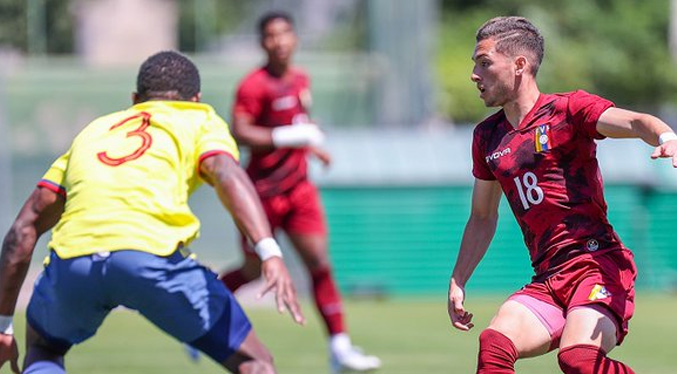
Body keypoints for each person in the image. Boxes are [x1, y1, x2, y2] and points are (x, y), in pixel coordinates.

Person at [0, 51, 305, 374]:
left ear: (135, 100)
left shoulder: (94, 132)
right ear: (196, 99)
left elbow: (25, 228)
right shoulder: (199, 118)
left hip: (75, 261)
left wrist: (3, 324)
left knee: (44, 348)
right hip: (149, 256)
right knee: (255, 362)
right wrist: (268, 250)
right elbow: (226, 172)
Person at [447, 16, 677, 374]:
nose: (475, 74)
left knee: (578, 360)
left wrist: (666, 137)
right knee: (494, 345)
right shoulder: (486, 137)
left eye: (484, 63)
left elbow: (634, 122)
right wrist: (458, 279)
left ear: (520, 65)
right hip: (549, 278)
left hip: (598, 266)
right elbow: (482, 216)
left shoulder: (568, 111)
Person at [218, 11, 381, 374]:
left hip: (299, 189)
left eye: (285, 34)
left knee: (319, 264)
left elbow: (297, 124)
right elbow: (240, 132)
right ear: (262, 43)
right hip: (260, 194)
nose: (279, 41)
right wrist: (289, 137)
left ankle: (340, 348)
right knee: (253, 270)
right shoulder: (253, 85)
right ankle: (198, 315)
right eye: (271, 36)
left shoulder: (300, 79)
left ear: (295, 39)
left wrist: (312, 144)